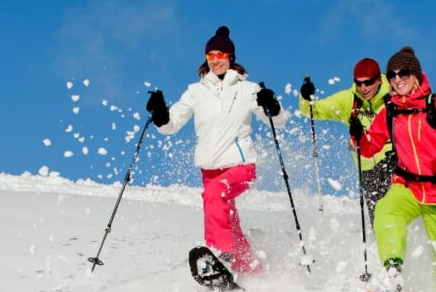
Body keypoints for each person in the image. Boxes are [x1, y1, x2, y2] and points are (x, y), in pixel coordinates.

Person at [145, 26, 288, 274]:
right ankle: (251, 269)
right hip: (210, 170)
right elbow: (171, 124)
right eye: (210, 56)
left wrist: (271, 105)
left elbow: (278, 121)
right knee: (227, 221)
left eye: (220, 55)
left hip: (240, 167)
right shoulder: (196, 91)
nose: (215, 61)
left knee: (215, 195)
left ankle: (221, 254)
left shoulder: (248, 89)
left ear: (230, 57)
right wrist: (160, 115)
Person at [358, 47, 436, 292]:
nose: (398, 79)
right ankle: (392, 274)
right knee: (387, 211)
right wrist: (357, 134)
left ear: (416, 75)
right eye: (392, 75)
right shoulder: (390, 111)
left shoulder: (435, 104)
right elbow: (368, 147)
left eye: (404, 73)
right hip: (407, 186)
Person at [299, 59, 392, 222]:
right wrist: (305, 97)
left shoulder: (393, 97)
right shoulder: (349, 100)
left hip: (393, 164)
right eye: (359, 83)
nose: (363, 88)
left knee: (395, 211)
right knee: (379, 222)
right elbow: (312, 111)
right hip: (367, 170)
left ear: (378, 79)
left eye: (368, 82)